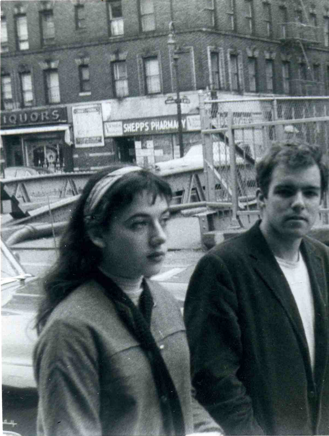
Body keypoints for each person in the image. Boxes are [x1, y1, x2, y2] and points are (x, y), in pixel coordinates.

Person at [185, 141, 329, 435]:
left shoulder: (323, 259)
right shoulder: (223, 266)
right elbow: (214, 378)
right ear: (260, 198)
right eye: (285, 191)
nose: (299, 202)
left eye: (310, 192)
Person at [34, 166, 222, 436]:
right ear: (97, 233)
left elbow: (179, 394)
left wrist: (208, 430)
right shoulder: (71, 331)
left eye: (164, 220)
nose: (159, 236)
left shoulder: (163, 300)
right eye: (139, 224)